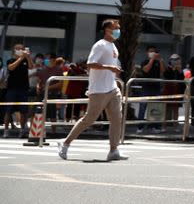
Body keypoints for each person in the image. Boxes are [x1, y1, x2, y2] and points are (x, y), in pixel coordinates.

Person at [57, 19, 127, 161]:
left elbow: (111, 67)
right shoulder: (100, 45)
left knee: (116, 118)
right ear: (107, 29)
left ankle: (113, 150)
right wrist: (109, 67)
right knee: (89, 119)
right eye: (116, 28)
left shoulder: (113, 46)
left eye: (119, 28)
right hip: (99, 90)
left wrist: (114, 72)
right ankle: (65, 143)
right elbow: (90, 64)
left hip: (112, 88)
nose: (118, 30)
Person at [4, 43, 32, 138]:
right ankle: (6, 130)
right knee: (8, 111)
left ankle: (22, 130)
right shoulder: (10, 60)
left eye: (21, 49)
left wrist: (28, 57)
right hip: (12, 89)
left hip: (23, 89)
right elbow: (11, 67)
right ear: (14, 50)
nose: (20, 50)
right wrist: (20, 59)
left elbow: (31, 67)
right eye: (18, 49)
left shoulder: (25, 60)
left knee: (23, 111)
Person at [137, 45, 165, 133]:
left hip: (156, 87)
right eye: (150, 51)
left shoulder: (158, 62)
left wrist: (160, 60)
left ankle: (156, 126)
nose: (152, 53)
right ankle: (140, 126)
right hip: (146, 87)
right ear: (147, 53)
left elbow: (162, 71)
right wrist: (152, 60)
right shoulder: (144, 62)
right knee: (143, 106)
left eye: (154, 51)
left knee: (156, 107)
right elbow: (146, 70)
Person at [36, 54, 64, 124]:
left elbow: (61, 84)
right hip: (42, 94)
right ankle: (37, 131)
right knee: (38, 112)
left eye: (47, 59)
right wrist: (38, 87)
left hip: (52, 94)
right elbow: (39, 80)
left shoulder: (59, 69)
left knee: (52, 114)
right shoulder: (42, 68)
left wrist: (48, 87)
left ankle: (53, 132)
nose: (46, 60)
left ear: (53, 60)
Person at [162, 54, 185, 128]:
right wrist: (172, 69)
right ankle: (164, 126)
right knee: (166, 108)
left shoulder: (179, 69)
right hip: (168, 90)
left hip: (177, 90)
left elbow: (182, 78)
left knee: (176, 109)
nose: (174, 61)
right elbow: (166, 76)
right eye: (173, 60)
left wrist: (179, 70)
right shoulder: (168, 69)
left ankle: (175, 125)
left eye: (176, 60)